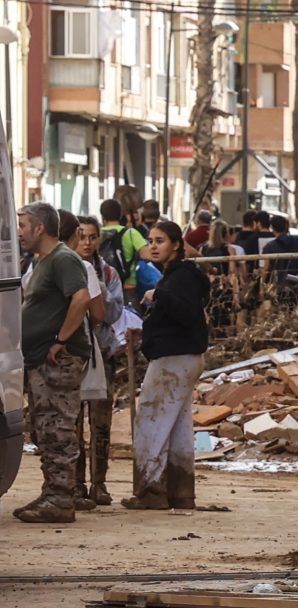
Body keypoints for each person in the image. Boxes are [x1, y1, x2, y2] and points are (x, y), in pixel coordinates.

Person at [15, 203, 94, 523]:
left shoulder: (63, 259)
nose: (18, 231)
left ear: (40, 228)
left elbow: (82, 298)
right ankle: (53, 493)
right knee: (45, 429)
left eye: (23, 225)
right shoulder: (43, 261)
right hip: (40, 361)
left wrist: (60, 340)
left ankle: (61, 499)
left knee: (58, 429)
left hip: (58, 361)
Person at [127, 220, 210, 511]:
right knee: (176, 425)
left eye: (160, 240)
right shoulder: (177, 276)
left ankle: (151, 490)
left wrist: (157, 296)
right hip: (183, 355)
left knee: (152, 419)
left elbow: (185, 311)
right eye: (150, 240)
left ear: (176, 245)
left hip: (174, 357)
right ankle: (180, 491)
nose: (153, 245)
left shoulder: (180, 277)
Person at [65, 216, 120, 511]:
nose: (87, 242)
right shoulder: (65, 269)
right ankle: (75, 482)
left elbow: (111, 313)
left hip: (103, 354)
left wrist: (99, 292)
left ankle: (99, 482)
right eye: (82, 236)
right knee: (72, 424)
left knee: (100, 424)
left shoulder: (107, 273)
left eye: (92, 237)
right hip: (73, 355)